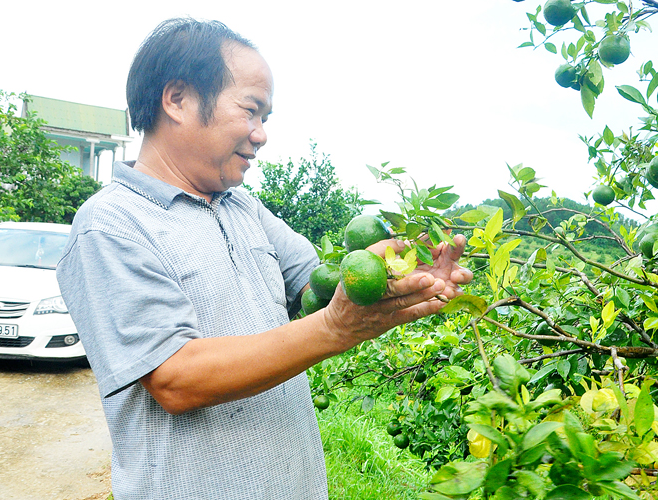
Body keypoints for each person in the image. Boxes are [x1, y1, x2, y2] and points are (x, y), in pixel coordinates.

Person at [56, 18, 473, 500]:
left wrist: (392, 277)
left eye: (266, 119)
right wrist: (336, 328)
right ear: (177, 99)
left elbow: (319, 290)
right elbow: (175, 379)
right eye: (251, 111)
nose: (261, 135)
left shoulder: (243, 207)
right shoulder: (111, 225)